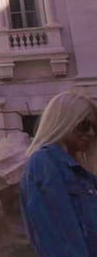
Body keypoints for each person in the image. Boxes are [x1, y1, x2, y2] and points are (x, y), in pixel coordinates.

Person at [20, 91, 97, 255]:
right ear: (64, 121)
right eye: (84, 125)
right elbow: (57, 237)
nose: (91, 133)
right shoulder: (44, 163)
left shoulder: (79, 170)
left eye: (95, 128)